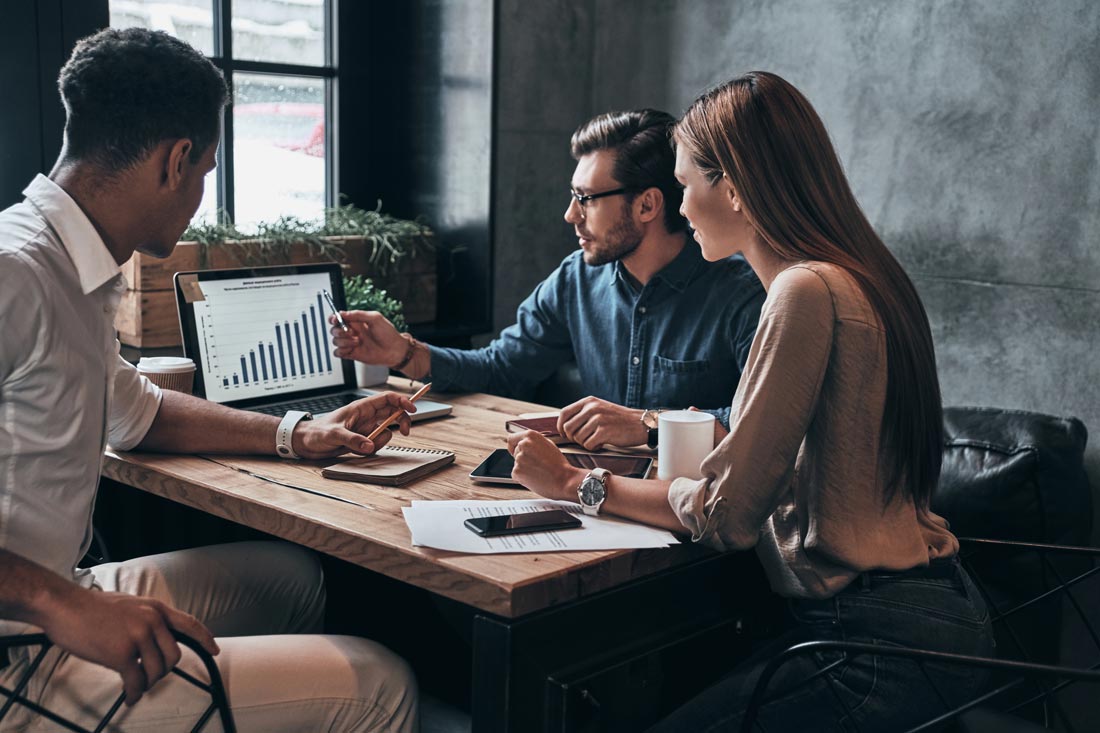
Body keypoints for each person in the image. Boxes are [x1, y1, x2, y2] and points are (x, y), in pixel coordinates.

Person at [507, 71, 995, 731]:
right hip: (933, 614)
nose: (677, 208)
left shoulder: (803, 293)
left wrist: (574, 483)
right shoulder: (862, 275)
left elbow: (726, 516)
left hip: (872, 643)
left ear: (732, 188)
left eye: (684, 185)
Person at [0, 28, 417, 732]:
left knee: (295, 576)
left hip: (53, 592)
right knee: (381, 683)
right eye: (207, 172)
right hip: (23, 648)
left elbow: (140, 415)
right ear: (176, 160)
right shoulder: (16, 271)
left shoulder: (76, 264)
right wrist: (59, 605)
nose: (201, 193)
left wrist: (300, 433)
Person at [331, 110, 764, 450]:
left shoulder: (742, 295)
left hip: (694, 517)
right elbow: (502, 369)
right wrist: (402, 351)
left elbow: (759, 426)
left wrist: (647, 424)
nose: (570, 215)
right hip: (595, 497)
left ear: (647, 206)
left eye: (586, 199)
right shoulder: (576, 279)